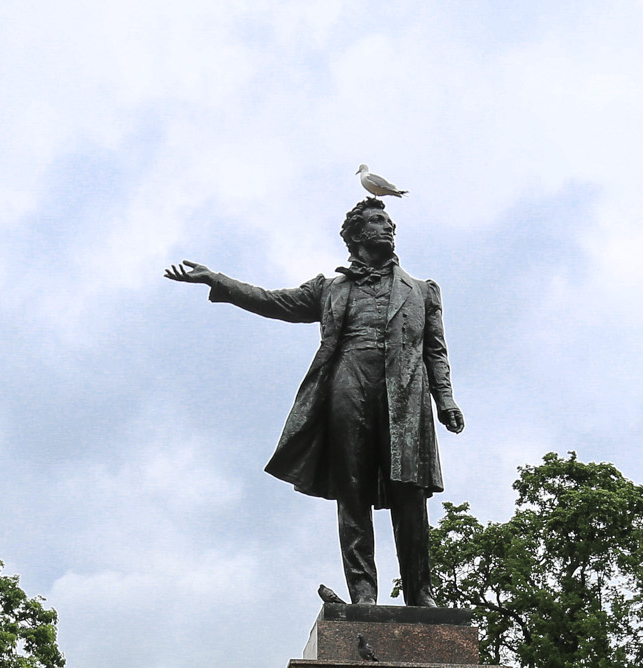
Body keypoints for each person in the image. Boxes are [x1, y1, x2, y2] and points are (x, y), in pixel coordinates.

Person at [164, 198, 464, 605]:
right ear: (356, 236)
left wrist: (445, 399)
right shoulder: (330, 289)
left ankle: (420, 593)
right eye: (377, 221)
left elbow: (435, 350)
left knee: (409, 494)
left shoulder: (423, 291)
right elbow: (273, 301)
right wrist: (216, 279)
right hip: (348, 385)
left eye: (389, 221)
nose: (388, 226)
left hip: (406, 395)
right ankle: (363, 595)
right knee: (352, 492)